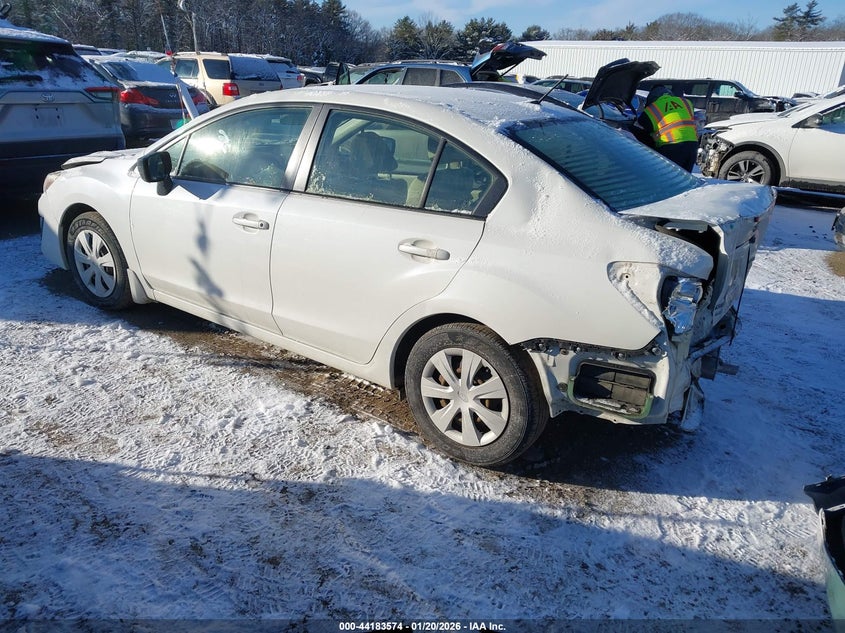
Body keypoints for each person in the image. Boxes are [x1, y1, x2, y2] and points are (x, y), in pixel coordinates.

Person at [637, 85, 699, 172]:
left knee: (669, 180)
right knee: (685, 181)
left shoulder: (652, 108)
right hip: (692, 145)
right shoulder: (686, 102)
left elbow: (642, 127)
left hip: (671, 146)